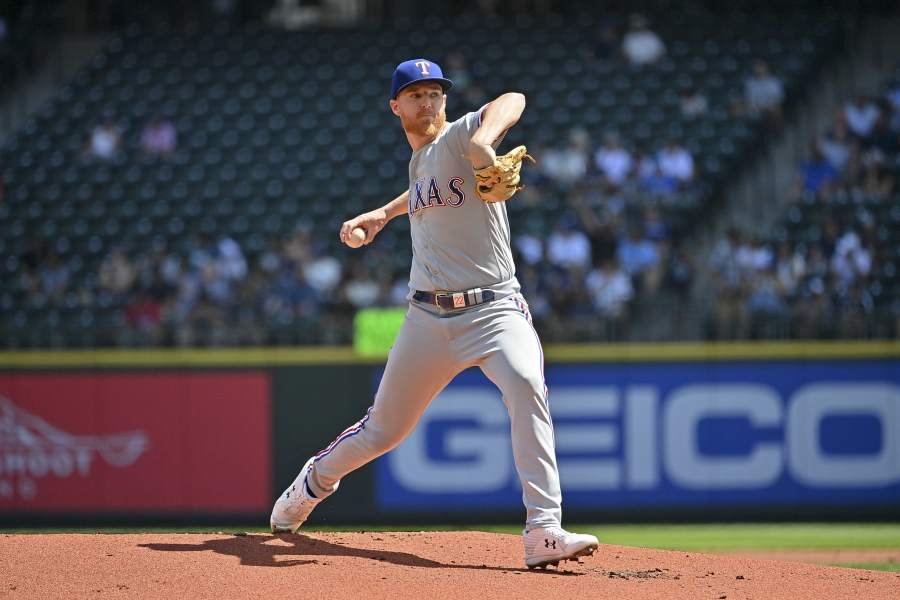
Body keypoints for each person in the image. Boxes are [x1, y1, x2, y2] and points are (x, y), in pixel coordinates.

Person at [270, 58, 599, 569]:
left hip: (494, 311)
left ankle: (544, 530)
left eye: (435, 93)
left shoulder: (461, 135)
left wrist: (484, 141)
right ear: (395, 106)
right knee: (385, 430)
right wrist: (382, 213)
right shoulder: (421, 159)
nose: (428, 102)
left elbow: (513, 97)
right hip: (427, 318)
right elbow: (425, 189)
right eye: (416, 94)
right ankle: (314, 481)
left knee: (526, 387)